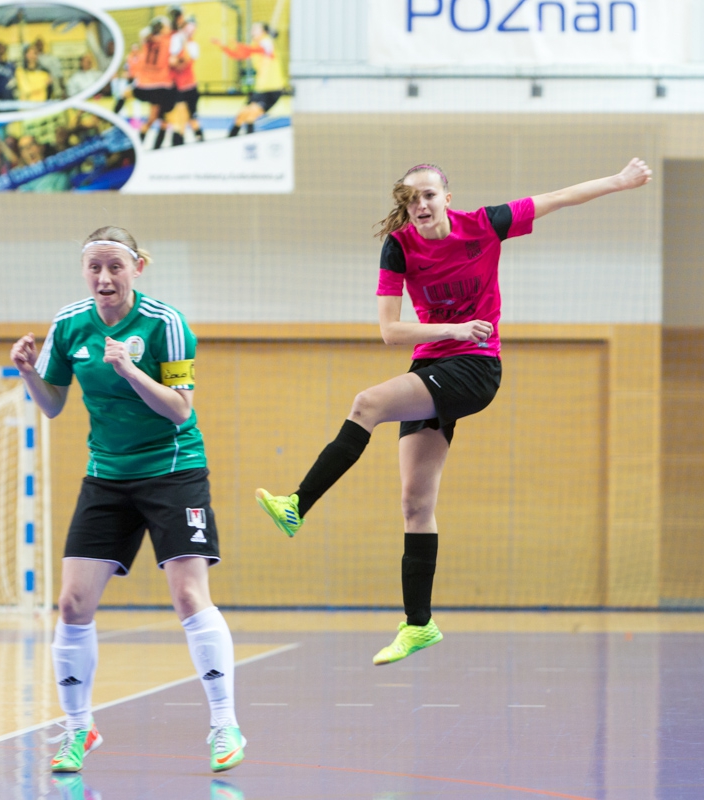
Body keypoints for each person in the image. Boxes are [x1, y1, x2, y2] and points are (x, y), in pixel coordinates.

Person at [255, 159, 653, 665]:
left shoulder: (484, 225)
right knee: (415, 504)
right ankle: (418, 625)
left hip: (475, 369)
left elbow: (558, 197)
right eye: (411, 199)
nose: (420, 205)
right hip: (433, 365)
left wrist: (620, 181)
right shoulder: (398, 247)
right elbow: (389, 331)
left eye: (428, 195)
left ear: (447, 196)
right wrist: (453, 328)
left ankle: (296, 506)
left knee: (367, 404)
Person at [10, 226, 245, 774]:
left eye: (115, 266)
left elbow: (180, 410)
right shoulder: (69, 324)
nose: (104, 277)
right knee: (71, 604)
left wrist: (129, 369)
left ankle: (224, 723)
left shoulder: (167, 324)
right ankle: (77, 729)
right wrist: (27, 372)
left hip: (173, 470)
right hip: (108, 476)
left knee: (189, 595)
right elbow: (51, 405)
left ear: (137, 266)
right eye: (94, 267)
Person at [214, 22, 285, 137]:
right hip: (259, 88)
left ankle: (247, 139)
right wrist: (222, 46)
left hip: (272, 89)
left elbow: (257, 50)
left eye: (256, 28)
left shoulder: (267, 41)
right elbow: (237, 55)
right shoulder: (254, 44)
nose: (252, 29)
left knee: (251, 114)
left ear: (263, 31)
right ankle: (230, 139)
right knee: (241, 116)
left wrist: (240, 45)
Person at [130, 19, 177, 148]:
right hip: (161, 84)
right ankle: (145, 146)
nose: (169, 28)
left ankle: (145, 145)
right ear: (161, 29)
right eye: (166, 27)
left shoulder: (147, 40)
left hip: (145, 83)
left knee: (160, 118)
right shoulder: (168, 40)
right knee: (156, 119)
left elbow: (144, 33)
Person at [169, 14, 204, 144]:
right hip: (179, 88)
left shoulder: (193, 46)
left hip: (189, 88)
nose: (191, 30)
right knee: (180, 122)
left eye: (193, 27)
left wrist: (182, 43)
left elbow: (181, 65)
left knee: (192, 120)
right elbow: (172, 61)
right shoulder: (175, 41)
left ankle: (200, 141)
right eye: (188, 27)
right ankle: (178, 147)